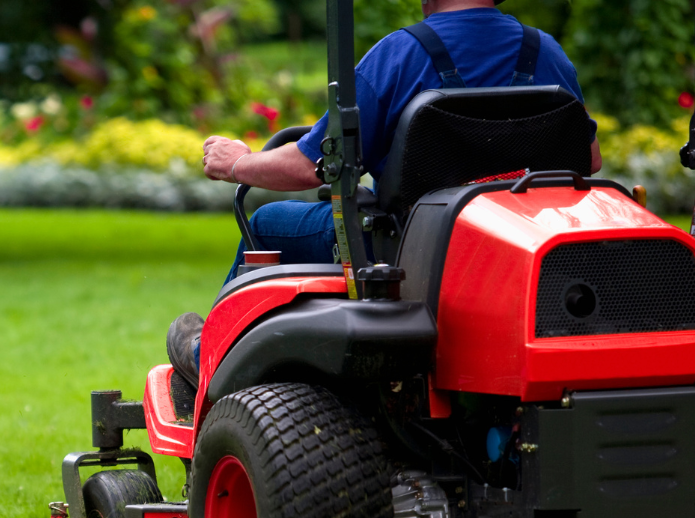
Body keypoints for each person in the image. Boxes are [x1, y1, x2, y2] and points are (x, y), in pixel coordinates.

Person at [166, 0, 602, 389]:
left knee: (266, 222)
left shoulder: (401, 54)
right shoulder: (545, 51)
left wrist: (237, 163)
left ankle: (209, 358)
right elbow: (590, 157)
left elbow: (309, 163)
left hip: (405, 249)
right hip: (520, 245)